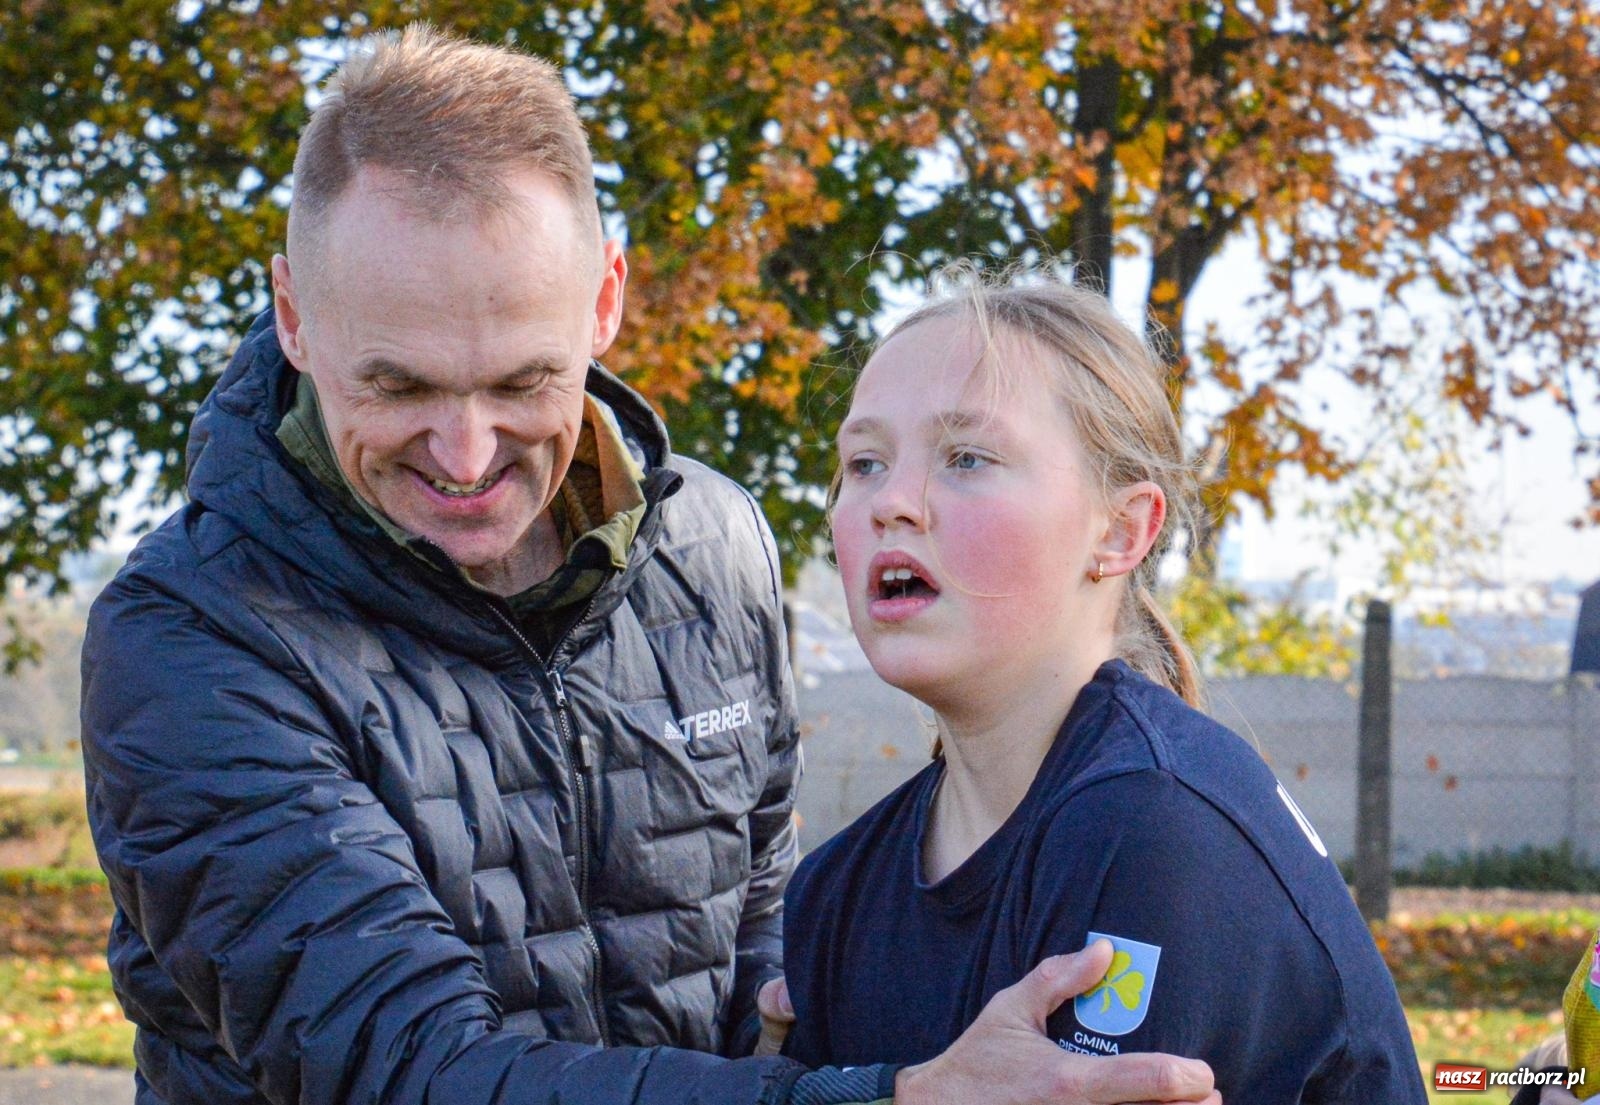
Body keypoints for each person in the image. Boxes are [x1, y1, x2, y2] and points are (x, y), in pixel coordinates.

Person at [79, 25, 1222, 1105]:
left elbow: (757, 906)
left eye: (523, 382)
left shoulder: (715, 546)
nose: (466, 456)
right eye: (399, 385)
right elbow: (408, 1068)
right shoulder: (189, 634)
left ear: (606, 302)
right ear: (293, 315)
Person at [778, 269, 1429, 1103]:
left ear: (1122, 529)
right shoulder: (834, 891)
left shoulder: (1153, 829)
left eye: (967, 457)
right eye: (863, 462)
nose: (890, 502)